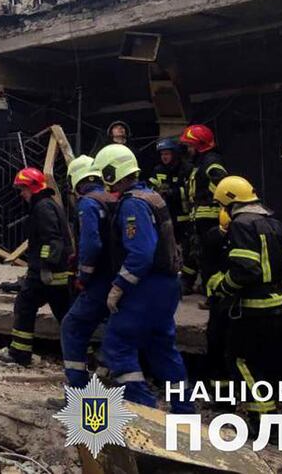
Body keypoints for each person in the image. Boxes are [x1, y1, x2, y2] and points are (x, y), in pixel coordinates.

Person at [93, 145, 193, 413]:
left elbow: (141, 253)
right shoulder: (150, 196)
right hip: (166, 285)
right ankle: (184, 410)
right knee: (162, 347)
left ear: (112, 172)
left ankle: (142, 406)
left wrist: (119, 285)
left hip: (146, 287)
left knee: (117, 344)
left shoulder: (132, 205)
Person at [207, 176, 282, 417]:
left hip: (253, 311)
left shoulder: (241, 225)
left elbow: (246, 269)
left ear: (230, 203)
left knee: (243, 362)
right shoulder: (277, 225)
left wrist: (222, 288)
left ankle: (264, 421)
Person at [0, 167, 73, 366]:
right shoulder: (48, 204)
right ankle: (84, 354)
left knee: (24, 306)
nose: (21, 194)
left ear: (32, 188)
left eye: (23, 189)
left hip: (46, 274)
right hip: (54, 273)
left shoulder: (42, 208)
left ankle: (19, 353)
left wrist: (45, 265)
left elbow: (52, 241)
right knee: (66, 315)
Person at [57, 155, 115, 397]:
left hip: (99, 280)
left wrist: (83, 275)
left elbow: (92, 243)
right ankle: (104, 375)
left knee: (72, 326)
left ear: (76, 180)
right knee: (112, 328)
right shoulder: (111, 198)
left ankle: (77, 390)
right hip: (116, 278)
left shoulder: (88, 204)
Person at [179, 123, 230, 381]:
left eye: (189, 144)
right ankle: (210, 295)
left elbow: (224, 189)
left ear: (199, 145)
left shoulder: (211, 164)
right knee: (200, 259)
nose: (186, 148)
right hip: (200, 218)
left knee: (211, 263)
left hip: (210, 220)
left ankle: (215, 298)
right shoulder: (201, 163)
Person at [149, 138, 195, 291]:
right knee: (165, 248)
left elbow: (190, 191)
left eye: (167, 154)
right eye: (162, 154)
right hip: (165, 216)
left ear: (175, 154)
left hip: (184, 216)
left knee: (188, 250)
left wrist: (172, 192)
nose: (164, 157)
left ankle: (187, 282)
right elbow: (151, 189)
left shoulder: (186, 169)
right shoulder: (158, 170)